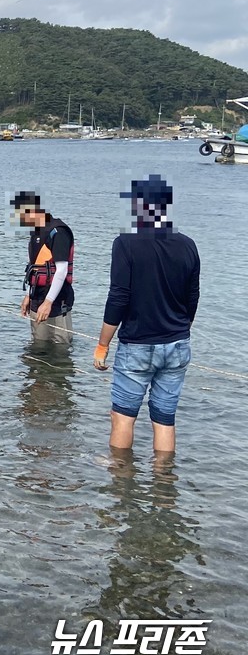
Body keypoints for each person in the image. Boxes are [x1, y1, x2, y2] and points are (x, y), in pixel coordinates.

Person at [92, 175, 200, 453]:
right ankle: (164, 488)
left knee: (123, 417)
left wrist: (102, 345)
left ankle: (121, 483)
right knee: (164, 420)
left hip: (138, 345)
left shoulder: (126, 243)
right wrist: (180, 328)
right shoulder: (188, 244)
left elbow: (118, 297)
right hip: (177, 343)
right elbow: (192, 298)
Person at [12, 191, 75, 345]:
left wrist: (48, 302)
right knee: (38, 346)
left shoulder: (58, 232)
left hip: (57, 301)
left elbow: (61, 270)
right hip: (37, 297)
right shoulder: (36, 234)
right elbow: (35, 268)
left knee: (60, 348)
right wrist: (28, 295)